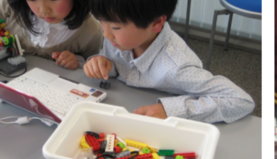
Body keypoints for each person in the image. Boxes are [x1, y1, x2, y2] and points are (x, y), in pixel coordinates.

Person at [83, 0, 254, 122]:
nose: (105, 34)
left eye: (115, 27)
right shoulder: (117, 38)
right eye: (101, 22)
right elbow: (115, 64)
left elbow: (241, 101)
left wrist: (170, 110)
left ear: (156, 23)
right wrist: (104, 62)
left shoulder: (178, 67)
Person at [0, 0, 102, 86]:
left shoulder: (90, 30)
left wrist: (77, 61)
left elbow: (95, 65)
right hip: (6, 82)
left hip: (54, 93)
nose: (43, 9)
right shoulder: (12, 5)